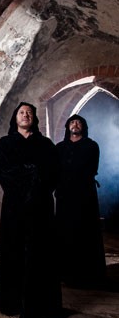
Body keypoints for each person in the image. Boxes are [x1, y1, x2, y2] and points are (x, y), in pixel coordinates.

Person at [0, 102, 63, 318]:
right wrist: (29, 178)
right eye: (22, 112)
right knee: (13, 251)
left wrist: (35, 184)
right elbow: (3, 170)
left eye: (29, 113)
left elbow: (53, 172)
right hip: (15, 206)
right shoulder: (5, 144)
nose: (26, 115)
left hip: (40, 206)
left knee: (40, 254)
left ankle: (40, 305)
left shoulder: (46, 145)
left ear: (34, 118)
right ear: (16, 118)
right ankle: (11, 301)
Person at [55, 114, 106, 288]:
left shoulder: (91, 146)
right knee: (65, 233)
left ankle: (88, 273)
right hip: (65, 197)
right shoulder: (60, 147)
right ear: (68, 126)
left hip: (85, 196)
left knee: (86, 233)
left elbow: (91, 168)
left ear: (83, 126)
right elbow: (55, 171)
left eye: (78, 122)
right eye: (72, 122)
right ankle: (65, 272)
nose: (75, 124)